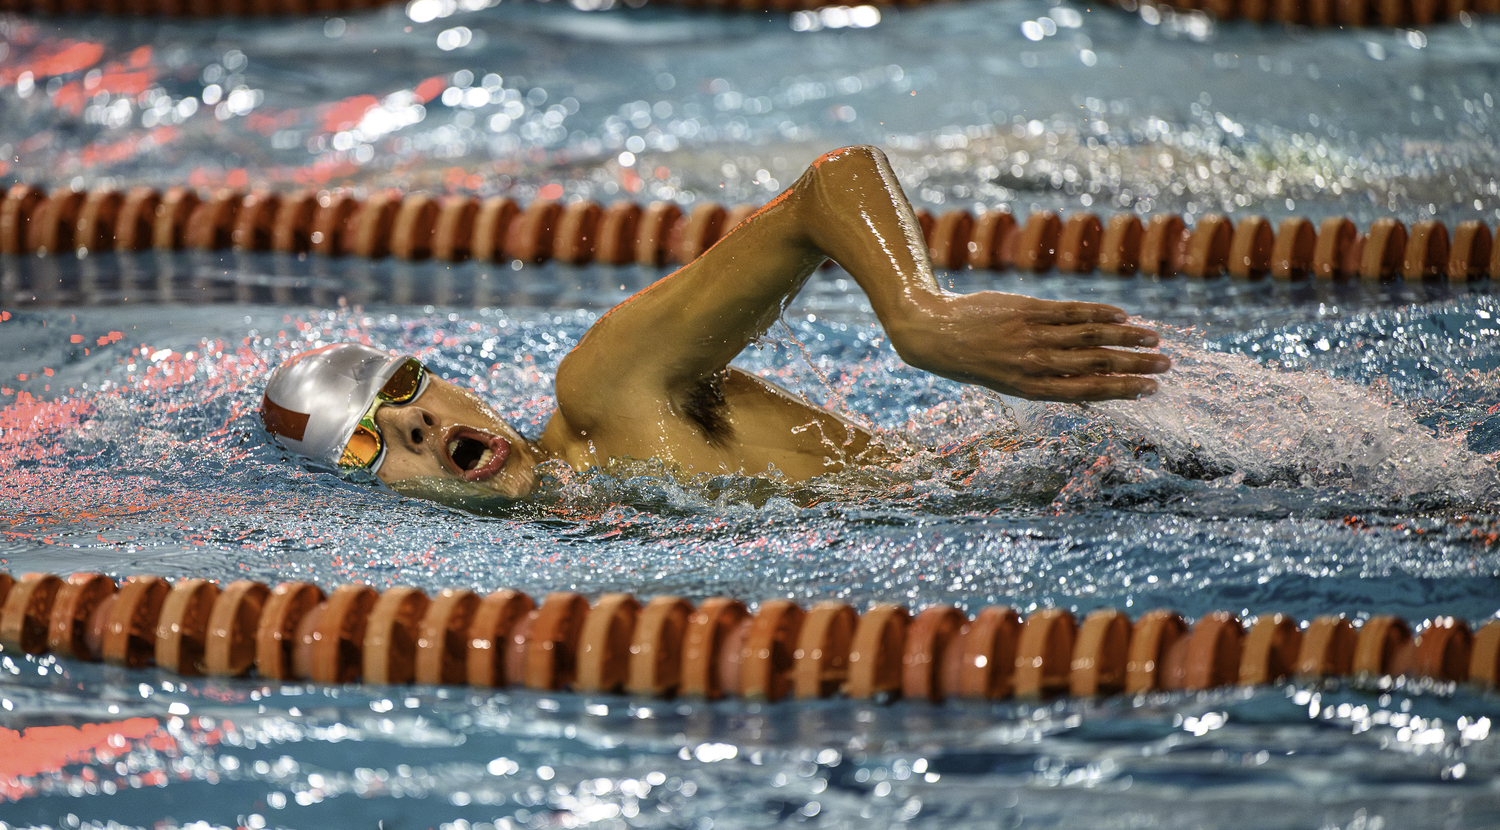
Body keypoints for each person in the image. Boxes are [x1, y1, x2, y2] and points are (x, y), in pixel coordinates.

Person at [260, 145, 1171, 502]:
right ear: (368, 492)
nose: (414, 423)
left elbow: (833, 184)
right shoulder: (586, 532)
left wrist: (918, 313)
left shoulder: (605, 392)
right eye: (365, 445)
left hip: (1122, 479)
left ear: (449, 381)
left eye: (406, 387)